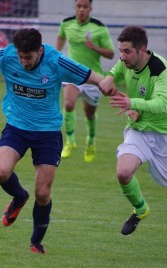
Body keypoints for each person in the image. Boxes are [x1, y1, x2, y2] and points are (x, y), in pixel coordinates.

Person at [0, 28, 107, 254]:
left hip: (48, 133)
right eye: (21, 57)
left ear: (40, 51)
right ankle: (19, 196)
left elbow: (96, 78)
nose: (24, 62)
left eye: (29, 57)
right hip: (17, 128)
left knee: (43, 192)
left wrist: (126, 100)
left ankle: (36, 243)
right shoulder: (7, 56)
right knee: (0, 171)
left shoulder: (57, 62)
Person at [100, 26, 167, 259]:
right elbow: (116, 70)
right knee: (123, 172)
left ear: (142, 50)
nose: (122, 56)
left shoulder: (159, 69)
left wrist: (133, 103)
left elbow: (163, 104)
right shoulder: (126, 62)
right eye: (120, 51)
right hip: (139, 131)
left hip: (166, 135)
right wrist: (109, 78)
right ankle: (140, 210)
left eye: (127, 52)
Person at [56, 0, 114, 162]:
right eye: (78, 6)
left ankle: (90, 140)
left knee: (89, 113)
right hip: (72, 73)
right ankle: (70, 141)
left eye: (85, 6)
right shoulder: (66, 24)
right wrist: (56, 55)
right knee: (68, 104)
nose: (81, 10)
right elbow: (60, 38)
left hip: (93, 78)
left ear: (90, 8)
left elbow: (110, 53)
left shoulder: (99, 28)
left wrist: (94, 47)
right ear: (75, 7)